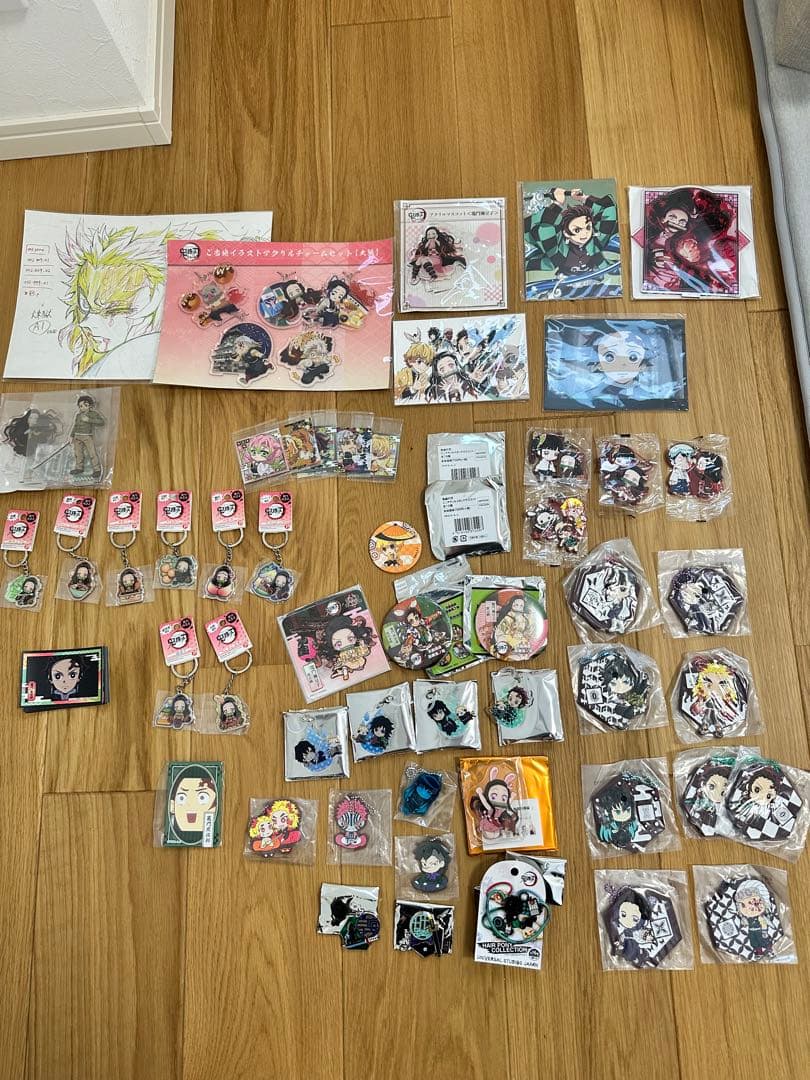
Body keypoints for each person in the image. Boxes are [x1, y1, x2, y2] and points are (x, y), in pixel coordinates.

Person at [70, 395, 105, 478]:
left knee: (92, 453)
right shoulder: (78, 415)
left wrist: (89, 420)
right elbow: (75, 426)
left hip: (87, 436)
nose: (82, 408)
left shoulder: (93, 414)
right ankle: (79, 468)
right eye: (80, 406)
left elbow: (101, 422)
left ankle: (97, 469)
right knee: (78, 453)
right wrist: (71, 436)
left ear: (89, 405)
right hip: (77, 436)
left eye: (85, 405)